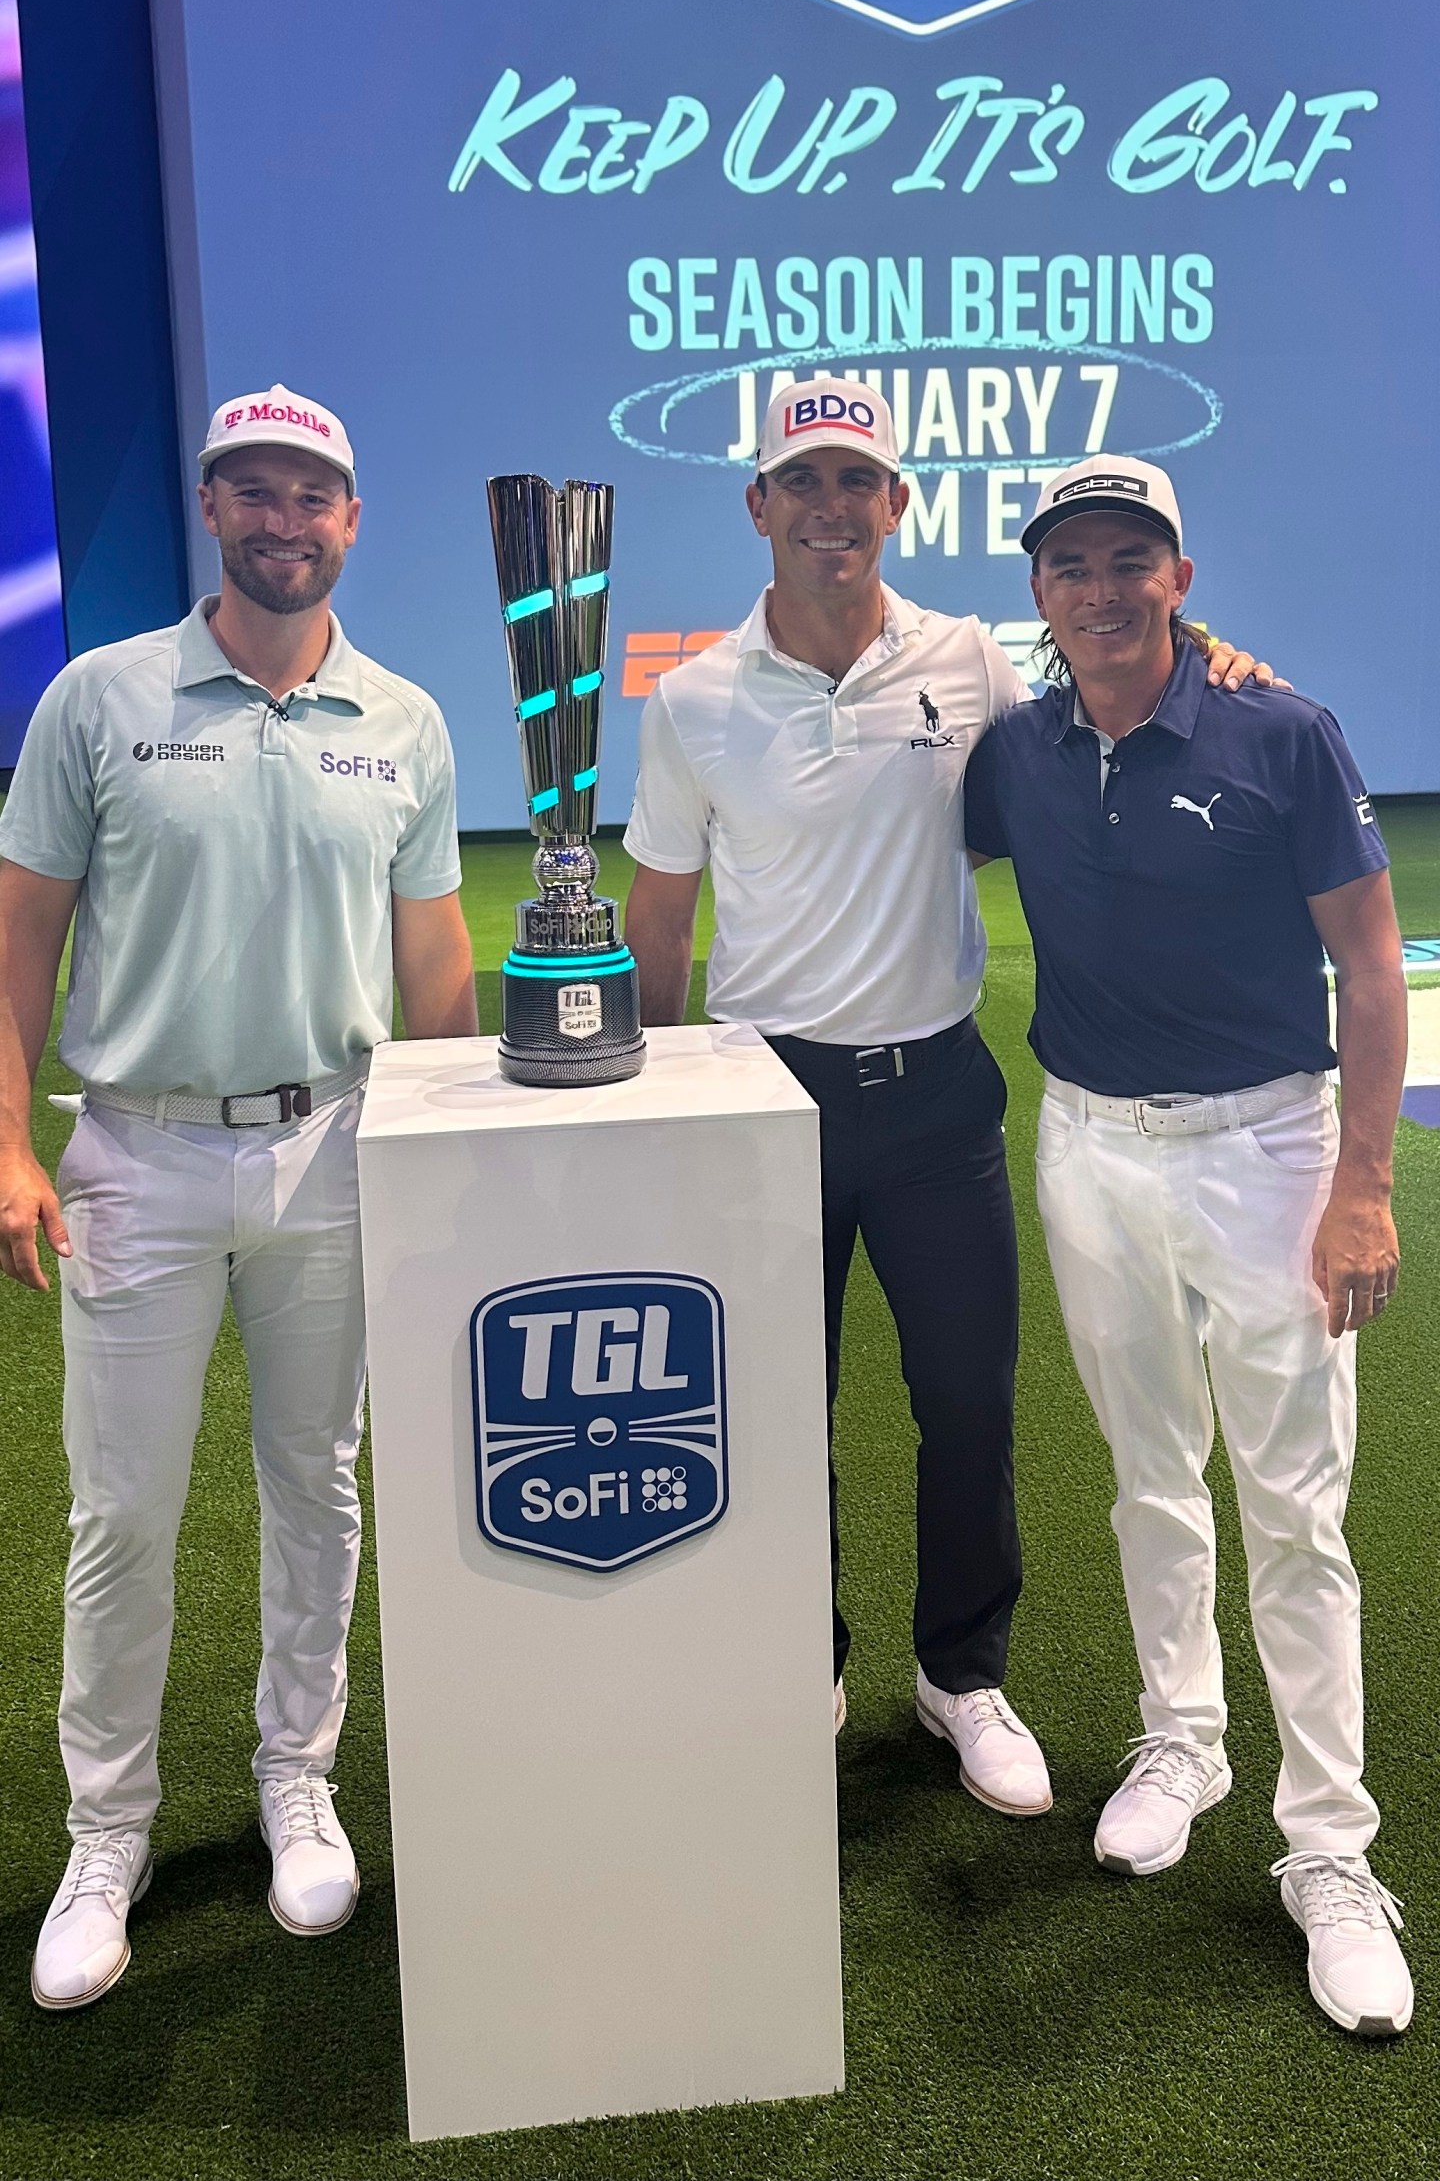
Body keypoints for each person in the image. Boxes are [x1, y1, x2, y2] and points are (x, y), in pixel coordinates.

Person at [622, 378, 1267, 1811]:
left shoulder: (969, 658)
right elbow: (660, 918)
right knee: (782, 1410)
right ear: (758, 507)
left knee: (968, 1404)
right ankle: (804, 1665)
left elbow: (1104, 702)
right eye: (803, 482)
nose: (830, 508)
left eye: (858, 482)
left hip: (936, 1100)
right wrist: (655, 1112)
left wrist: (1215, 655)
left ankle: (961, 1677)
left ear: (897, 505)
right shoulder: (697, 699)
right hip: (760, 1103)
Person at [0, 384, 477, 2011]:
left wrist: (466, 1148)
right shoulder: (100, 697)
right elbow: (21, 941)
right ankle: (105, 1833)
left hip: (332, 1145)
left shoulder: (403, 720)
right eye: (254, 493)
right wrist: (8, 1144)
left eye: (314, 497)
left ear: (353, 520)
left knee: (316, 1487)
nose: (286, 522)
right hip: (133, 1149)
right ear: (214, 508)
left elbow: (432, 968)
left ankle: (298, 1781)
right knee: (120, 1513)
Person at [962, 455, 1412, 2037]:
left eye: (1127, 560)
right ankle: (1186, 1738)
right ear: (1040, 596)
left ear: (1181, 575)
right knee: (1149, 1472)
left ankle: (1330, 1850)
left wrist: (1363, 1184)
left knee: (1295, 1507)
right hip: (1088, 1144)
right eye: (1068, 565)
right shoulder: (1015, 748)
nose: (1099, 589)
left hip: (1271, 1151)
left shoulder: (1277, 729)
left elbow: (1369, 965)